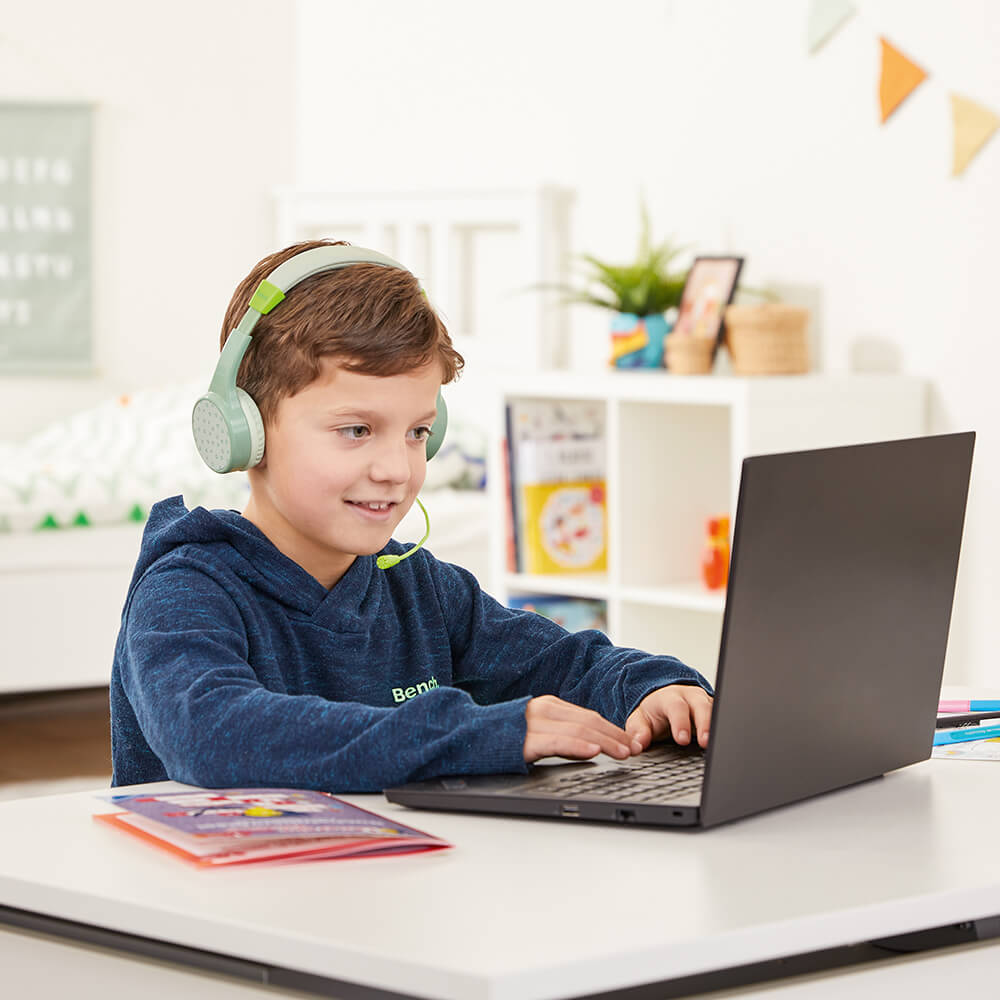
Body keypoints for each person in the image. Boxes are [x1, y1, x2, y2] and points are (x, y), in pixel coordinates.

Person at [110, 238, 714, 792]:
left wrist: (656, 687)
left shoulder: (421, 588)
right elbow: (214, 733)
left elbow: (566, 663)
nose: (397, 469)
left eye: (417, 431)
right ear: (244, 431)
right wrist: (471, 733)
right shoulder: (185, 591)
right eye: (356, 430)